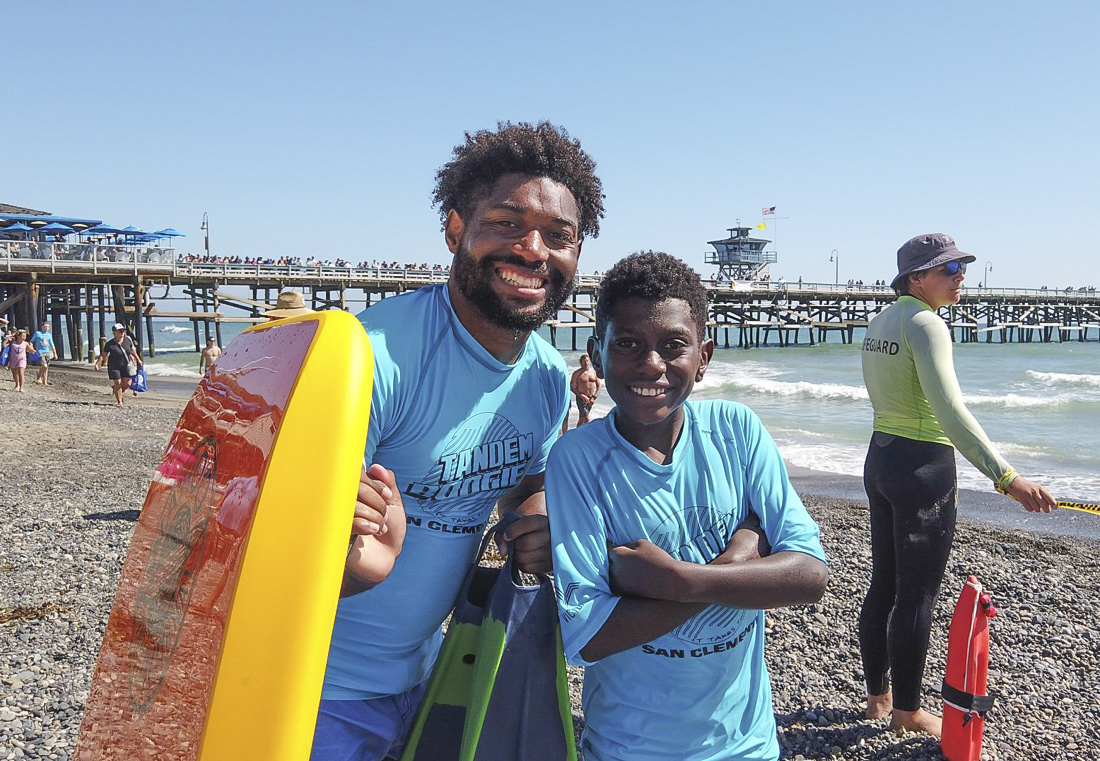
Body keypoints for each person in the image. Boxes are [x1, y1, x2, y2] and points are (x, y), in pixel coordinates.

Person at [314, 121, 605, 761]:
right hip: (317, 690)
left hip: (435, 671)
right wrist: (355, 568)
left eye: (559, 236)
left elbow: (524, 482)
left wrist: (537, 521)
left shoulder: (545, 379)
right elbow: (266, 556)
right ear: (454, 229)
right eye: (504, 223)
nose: (532, 250)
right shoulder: (371, 357)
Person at [546, 252, 828, 761]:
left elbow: (810, 575)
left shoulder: (737, 431)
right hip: (630, 747)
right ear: (598, 352)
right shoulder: (578, 461)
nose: (652, 364)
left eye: (674, 345)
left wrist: (679, 580)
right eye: (628, 344)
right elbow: (588, 636)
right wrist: (741, 558)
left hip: (747, 744)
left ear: (704, 357)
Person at [859, 233, 1057, 737]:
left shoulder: (881, 321)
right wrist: (1006, 477)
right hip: (922, 470)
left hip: (881, 458)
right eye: (948, 270)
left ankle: (878, 700)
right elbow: (949, 411)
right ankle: (907, 711)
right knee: (916, 594)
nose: (960, 276)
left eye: (961, 267)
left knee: (884, 582)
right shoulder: (927, 323)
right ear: (916, 278)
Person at [94, 323, 143, 407]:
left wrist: (138, 359)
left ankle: (117, 390)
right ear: (114, 332)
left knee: (128, 383)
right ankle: (120, 402)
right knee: (118, 382)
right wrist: (98, 363)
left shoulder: (127, 340)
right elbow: (104, 354)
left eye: (123, 330)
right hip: (114, 366)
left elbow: (132, 350)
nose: (122, 332)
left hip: (126, 365)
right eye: (120, 331)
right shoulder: (110, 344)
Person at [568, 353, 601, 428]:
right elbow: (572, 387)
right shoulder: (576, 373)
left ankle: (577, 434)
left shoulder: (594, 372)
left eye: (587, 361)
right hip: (581, 398)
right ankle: (588, 435)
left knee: (582, 419)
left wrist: (594, 397)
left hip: (590, 398)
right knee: (587, 418)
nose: (586, 363)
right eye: (584, 362)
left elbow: (599, 386)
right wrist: (581, 396)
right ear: (581, 363)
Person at [30, 321, 57, 385]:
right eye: (45, 327)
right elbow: (31, 341)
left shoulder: (49, 335)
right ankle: (39, 376)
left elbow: (52, 344)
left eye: (47, 327)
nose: (46, 328)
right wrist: (32, 349)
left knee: (46, 367)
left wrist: (55, 353)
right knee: (44, 366)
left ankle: (45, 382)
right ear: (42, 327)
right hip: (40, 352)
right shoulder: (38, 333)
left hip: (47, 352)